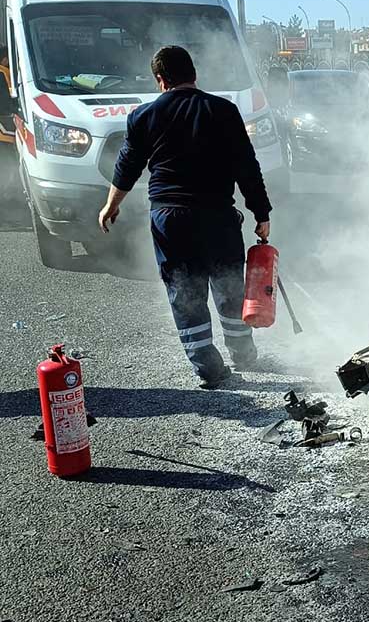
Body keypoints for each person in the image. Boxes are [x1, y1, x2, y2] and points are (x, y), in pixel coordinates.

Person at [97, 45, 272, 389]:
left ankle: (207, 366)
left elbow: (127, 167)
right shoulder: (223, 110)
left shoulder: (143, 116)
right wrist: (261, 212)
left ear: (160, 80)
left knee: (184, 290)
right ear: (194, 74)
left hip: (170, 219)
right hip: (218, 215)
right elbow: (246, 166)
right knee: (228, 285)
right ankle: (243, 353)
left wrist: (111, 205)